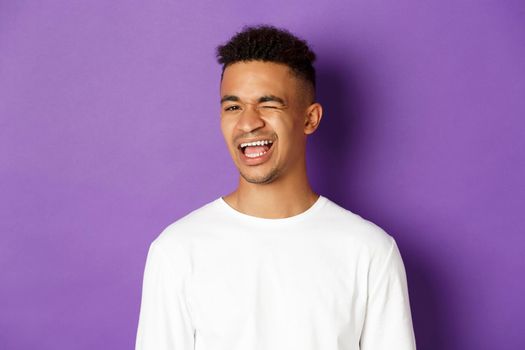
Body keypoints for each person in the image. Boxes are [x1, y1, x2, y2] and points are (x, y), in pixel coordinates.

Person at [135, 25, 417, 350]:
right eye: (233, 106)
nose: (248, 122)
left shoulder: (370, 252)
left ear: (310, 119)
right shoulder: (177, 251)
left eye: (268, 104)